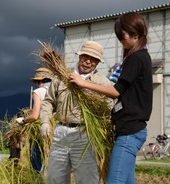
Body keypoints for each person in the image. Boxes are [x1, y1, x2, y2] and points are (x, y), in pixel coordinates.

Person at [70, 12, 152, 184]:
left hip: (130, 132)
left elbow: (116, 91)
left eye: (122, 37)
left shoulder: (137, 58)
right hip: (130, 130)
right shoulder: (139, 57)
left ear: (135, 35)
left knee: (114, 181)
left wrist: (83, 84)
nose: (120, 41)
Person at [40, 41, 114, 184]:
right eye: (86, 56)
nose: (88, 62)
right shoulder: (62, 76)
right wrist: (44, 121)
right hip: (60, 132)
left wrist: (91, 93)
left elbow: (108, 108)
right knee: (55, 178)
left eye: (93, 59)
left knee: (86, 179)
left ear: (98, 62)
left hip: (84, 134)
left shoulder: (102, 82)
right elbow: (48, 101)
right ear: (80, 56)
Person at [16, 67, 53, 172]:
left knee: (36, 155)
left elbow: (35, 116)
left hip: (42, 129)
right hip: (56, 130)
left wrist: (23, 121)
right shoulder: (57, 90)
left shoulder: (39, 91)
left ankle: (39, 179)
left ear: (38, 81)